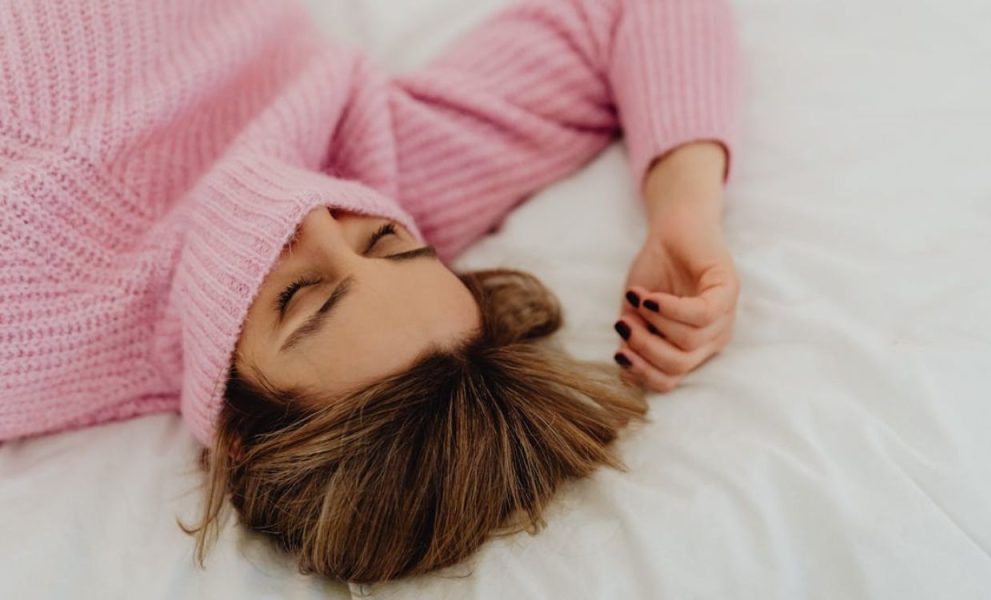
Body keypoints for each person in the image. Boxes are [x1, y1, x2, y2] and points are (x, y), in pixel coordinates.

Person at [0, 0, 741, 583]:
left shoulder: (29, 340)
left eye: (299, 297)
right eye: (387, 242)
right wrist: (684, 212)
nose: (316, 219)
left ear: (236, 431)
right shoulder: (380, 167)